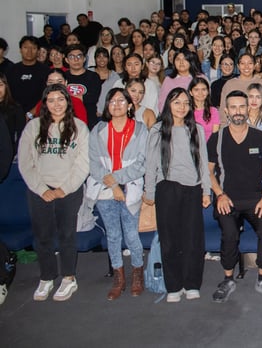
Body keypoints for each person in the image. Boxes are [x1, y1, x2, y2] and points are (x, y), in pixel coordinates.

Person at [207, 90, 262, 303]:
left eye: (242, 106)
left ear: (248, 108)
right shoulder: (217, 138)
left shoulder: (260, 136)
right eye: (233, 107)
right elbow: (208, 171)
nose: (238, 111)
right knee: (229, 233)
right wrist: (219, 195)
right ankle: (228, 278)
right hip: (226, 198)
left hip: (255, 199)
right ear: (226, 111)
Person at [18, 84, 90, 302]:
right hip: (39, 191)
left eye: (60, 99)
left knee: (67, 235)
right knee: (43, 237)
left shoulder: (79, 127)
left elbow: (82, 164)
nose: (56, 104)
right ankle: (47, 277)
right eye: (51, 100)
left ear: (67, 102)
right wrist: (41, 189)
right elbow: (25, 162)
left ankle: (69, 278)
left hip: (68, 190)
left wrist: (63, 189)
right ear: (44, 103)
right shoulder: (33, 127)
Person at [144, 88, 211, 303]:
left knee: (192, 239)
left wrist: (206, 190)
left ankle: (191, 283)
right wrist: (149, 191)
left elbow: (203, 162)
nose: (182, 107)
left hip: (192, 188)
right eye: (177, 103)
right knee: (170, 239)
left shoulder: (196, 129)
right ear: (168, 105)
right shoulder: (158, 130)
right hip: (167, 188)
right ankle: (173, 285)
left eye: (185, 103)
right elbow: (151, 165)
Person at [87, 88, 148, 300]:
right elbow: (93, 162)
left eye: (121, 101)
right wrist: (113, 186)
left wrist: (118, 181)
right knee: (113, 235)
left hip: (130, 187)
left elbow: (142, 163)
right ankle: (119, 277)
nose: (116, 105)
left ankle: (138, 274)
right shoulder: (98, 130)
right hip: (104, 189)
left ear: (130, 105)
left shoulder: (140, 130)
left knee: (131, 234)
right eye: (112, 101)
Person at [7, 36, 50, 116]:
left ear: (38, 51)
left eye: (33, 48)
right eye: (25, 47)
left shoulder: (46, 71)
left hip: (39, 114)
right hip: (14, 114)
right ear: (20, 50)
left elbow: (47, 95)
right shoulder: (11, 70)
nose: (29, 51)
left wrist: (31, 114)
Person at [63, 44, 102, 128]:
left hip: (89, 120)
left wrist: (69, 98)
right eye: (72, 57)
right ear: (66, 60)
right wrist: (81, 97)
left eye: (79, 56)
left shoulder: (93, 76)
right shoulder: (62, 77)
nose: (76, 60)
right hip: (66, 119)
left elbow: (93, 98)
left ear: (84, 59)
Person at [189, 76, 220, 141]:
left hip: (209, 147)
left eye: (203, 89)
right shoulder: (186, 111)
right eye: (196, 90)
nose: (200, 93)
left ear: (208, 91)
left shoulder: (214, 111)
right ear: (191, 92)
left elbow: (215, 136)